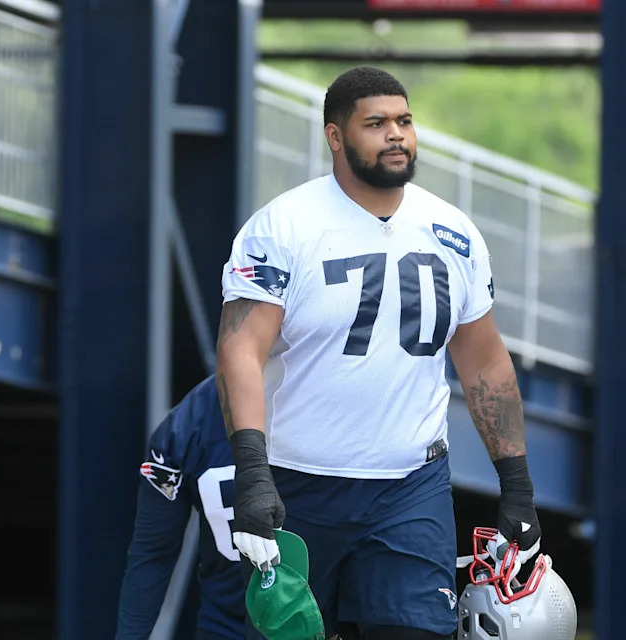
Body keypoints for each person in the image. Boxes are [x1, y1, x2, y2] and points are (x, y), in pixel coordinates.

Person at [216, 66, 542, 640]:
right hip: (300, 487)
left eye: (405, 120)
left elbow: (485, 361)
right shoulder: (283, 227)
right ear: (335, 137)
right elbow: (241, 347)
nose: (397, 134)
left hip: (410, 487)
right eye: (376, 123)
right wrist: (252, 472)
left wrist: (516, 483)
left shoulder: (454, 232)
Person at [116, 375, 247, 640]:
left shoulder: (332, 401)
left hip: (321, 624)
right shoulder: (186, 425)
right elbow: (153, 551)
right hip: (228, 625)